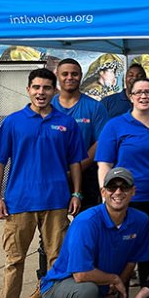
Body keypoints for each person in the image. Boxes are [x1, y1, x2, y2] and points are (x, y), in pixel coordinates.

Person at [0, 68, 85, 298]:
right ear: (28, 89)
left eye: (47, 88)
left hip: (56, 201)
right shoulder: (14, 122)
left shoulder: (66, 123)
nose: (41, 92)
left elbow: (75, 161)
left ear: (54, 91)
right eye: (36, 87)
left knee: (57, 258)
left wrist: (76, 192)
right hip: (19, 202)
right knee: (14, 258)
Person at [33, 167, 149, 298]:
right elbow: (81, 275)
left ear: (134, 191)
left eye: (124, 187)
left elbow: (132, 261)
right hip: (60, 287)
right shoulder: (86, 222)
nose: (118, 192)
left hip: (101, 289)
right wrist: (114, 280)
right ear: (103, 192)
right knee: (85, 289)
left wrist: (114, 293)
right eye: (112, 187)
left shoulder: (141, 221)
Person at [95, 76, 149, 285]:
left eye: (148, 92)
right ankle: (116, 295)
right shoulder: (115, 126)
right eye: (138, 92)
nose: (143, 96)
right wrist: (107, 196)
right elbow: (104, 165)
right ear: (130, 96)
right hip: (126, 199)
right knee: (124, 248)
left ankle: (148, 296)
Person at [52, 57, 108, 208]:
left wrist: (76, 169)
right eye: (65, 74)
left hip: (87, 175)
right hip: (52, 176)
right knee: (53, 228)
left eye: (74, 74)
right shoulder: (47, 107)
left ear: (81, 76)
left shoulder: (95, 107)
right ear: (57, 75)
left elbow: (100, 142)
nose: (70, 77)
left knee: (86, 226)